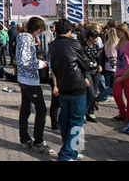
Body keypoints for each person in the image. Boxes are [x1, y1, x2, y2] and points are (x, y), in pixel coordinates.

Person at [49, 18, 91, 161]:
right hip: (76, 86)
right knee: (76, 122)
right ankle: (67, 154)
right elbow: (86, 63)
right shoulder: (73, 44)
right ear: (69, 31)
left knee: (66, 120)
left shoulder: (52, 45)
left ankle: (71, 151)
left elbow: (53, 66)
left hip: (63, 86)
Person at [16, 16, 56, 155]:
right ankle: (38, 141)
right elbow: (24, 61)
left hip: (24, 79)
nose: (40, 34)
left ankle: (25, 139)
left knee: (26, 109)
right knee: (41, 109)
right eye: (40, 31)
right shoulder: (27, 39)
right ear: (37, 29)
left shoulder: (22, 38)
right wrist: (40, 64)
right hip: (29, 80)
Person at [81, 29, 103, 123]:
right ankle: (84, 112)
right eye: (96, 37)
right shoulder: (82, 47)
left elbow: (96, 57)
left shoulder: (94, 46)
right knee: (91, 93)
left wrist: (99, 65)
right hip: (87, 72)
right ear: (90, 37)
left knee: (94, 92)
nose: (97, 39)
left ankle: (90, 111)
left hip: (96, 71)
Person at [112, 23, 129, 124]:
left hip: (128, 72)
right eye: (116, 32)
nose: (117, 34)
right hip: (118, 71)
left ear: (124, 32)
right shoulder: (118, 44)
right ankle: (122, 112)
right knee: (116, 93)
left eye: (118, 32)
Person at [95, 27, 118, 106]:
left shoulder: (107, 44)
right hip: (116, 67)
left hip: (108, 67)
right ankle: (97, 98)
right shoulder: (117, 44)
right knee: (113, 87)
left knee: (111, 86)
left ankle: (98, 98)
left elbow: (103, 56)